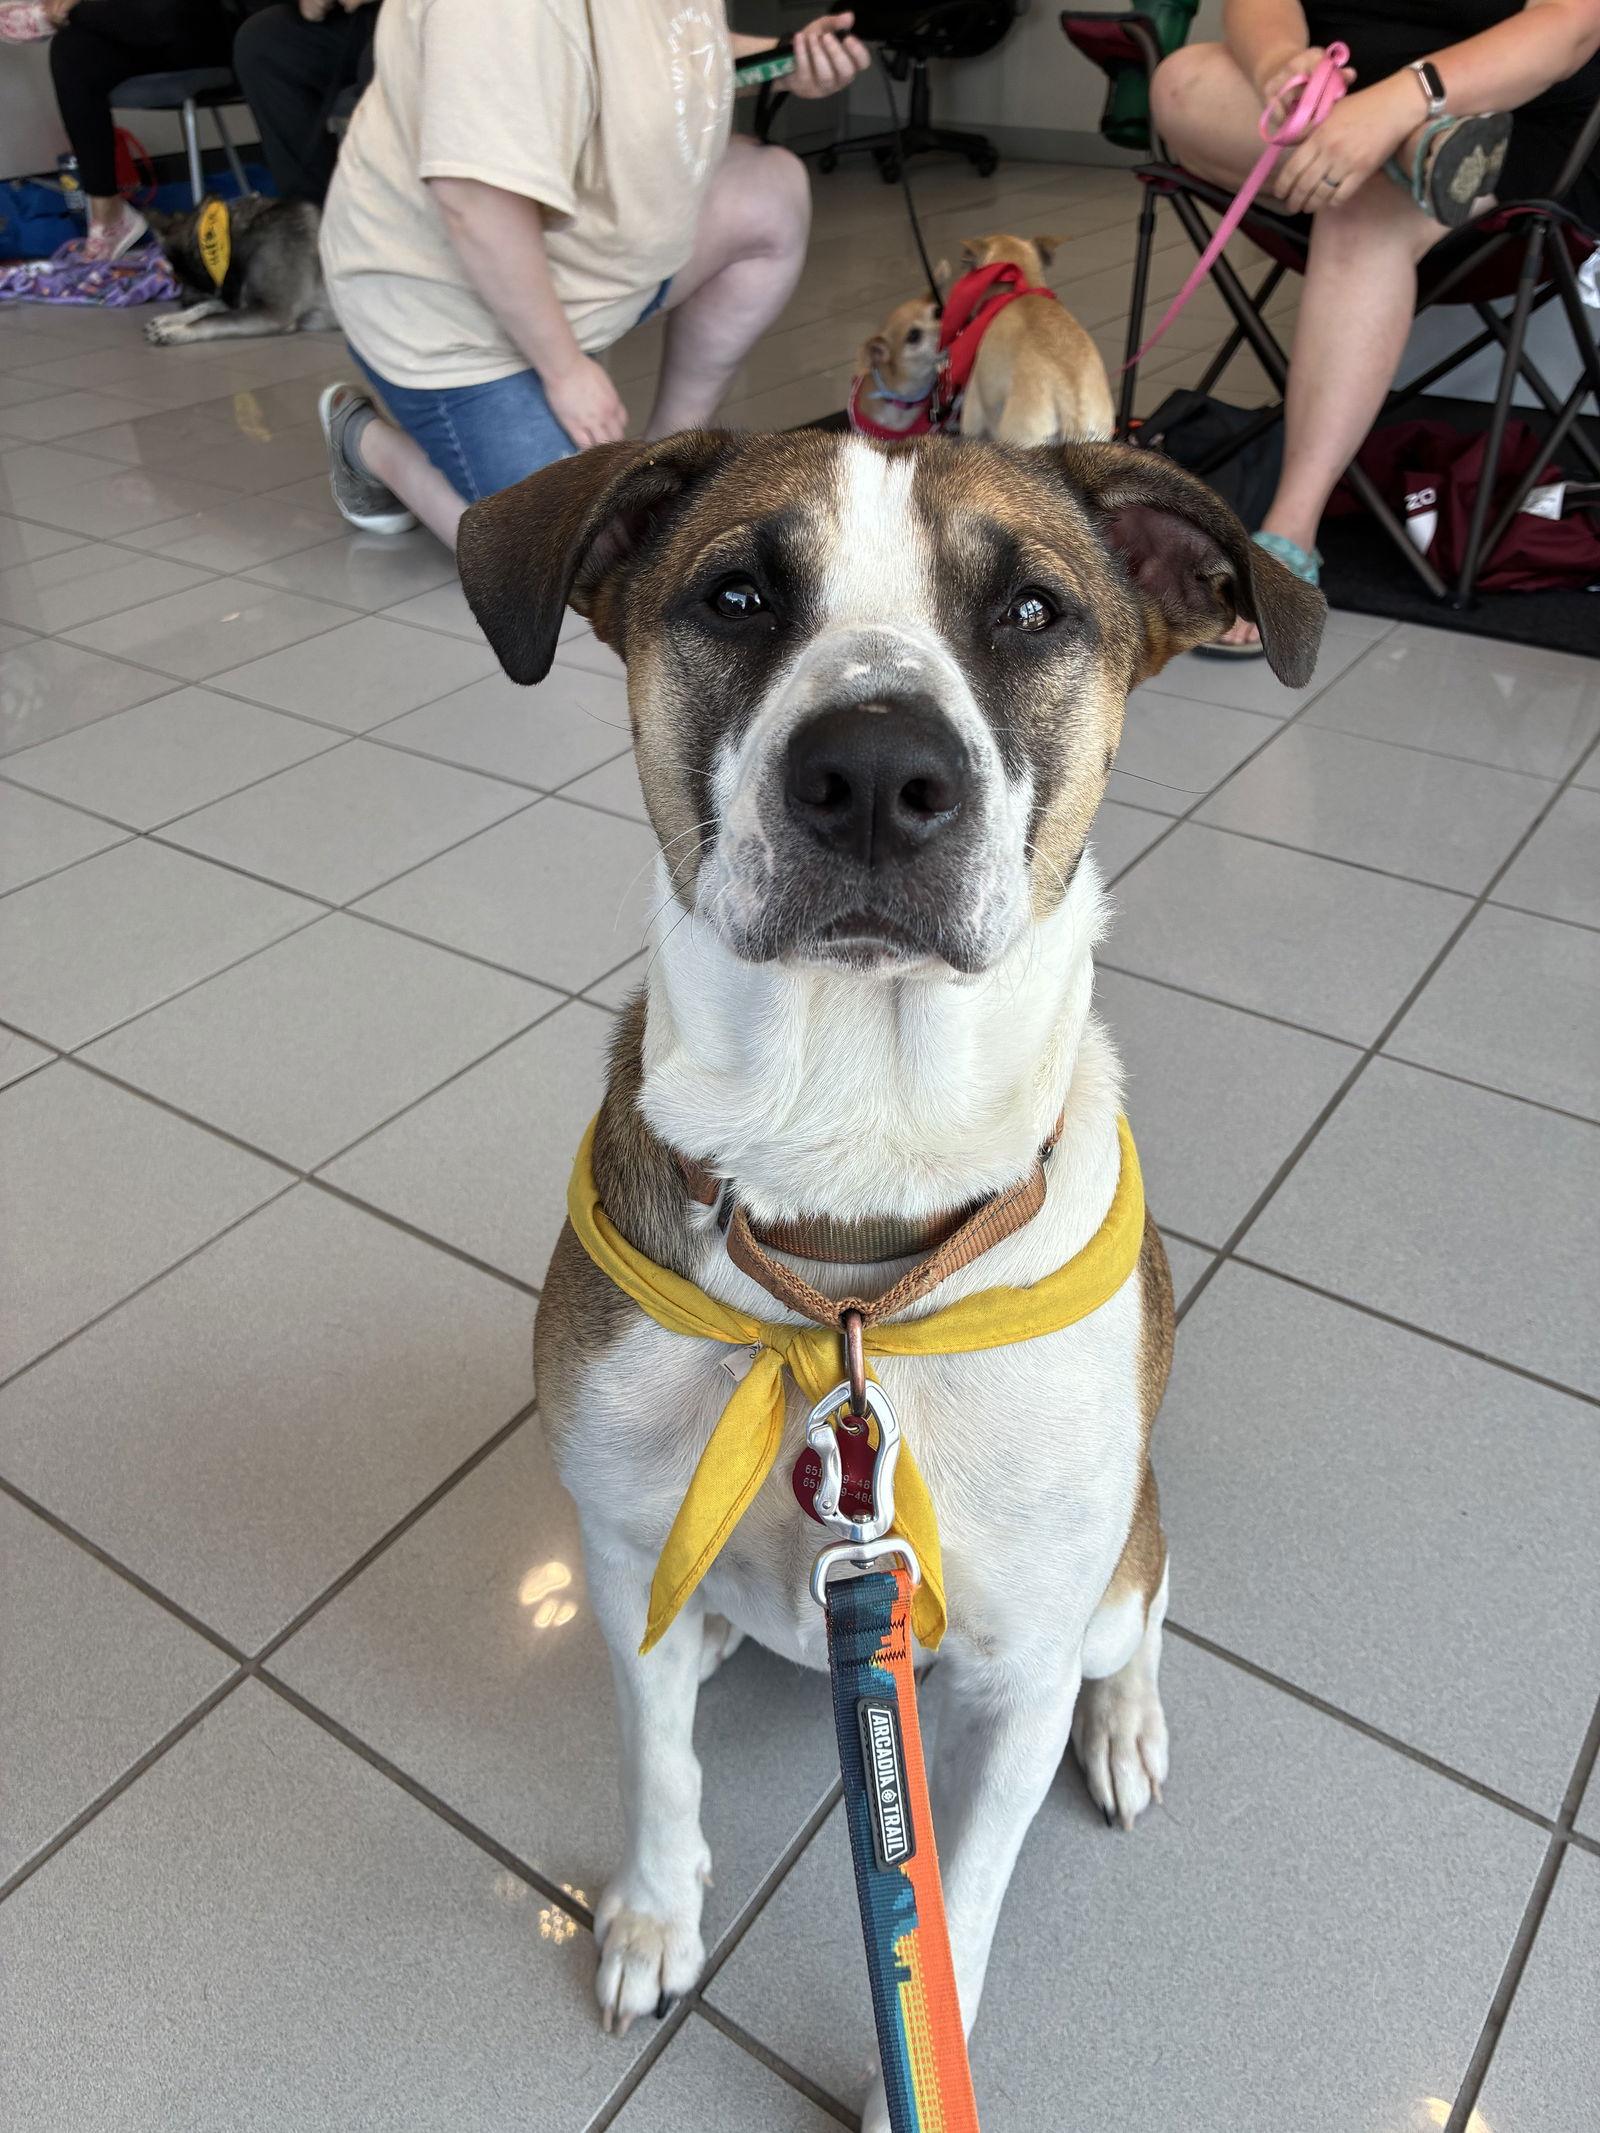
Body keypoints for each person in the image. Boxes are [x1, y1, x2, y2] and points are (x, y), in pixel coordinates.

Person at [315, 4, 870, 548]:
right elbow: (474, 202)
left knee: (767, 190)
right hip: (444, 311)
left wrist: (784, 60)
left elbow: (672, 48)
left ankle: (667, 460)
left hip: (572, 266)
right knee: (576, 557)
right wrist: (566, 371)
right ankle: (363, 440)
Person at [1151, 0, 1600, 652]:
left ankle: (1292, 532)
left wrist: (1404, 101)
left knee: (1362, 211)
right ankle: (1412, 154)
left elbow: (1574, 25)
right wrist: (1281, 66)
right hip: (1334, 111)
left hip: (1514, 124)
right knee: (1182, 80)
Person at [44, 0, 238, 261]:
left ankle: (54, 14)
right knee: (70, 49)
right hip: (145, 32)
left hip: (207, 28)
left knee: (157, 13)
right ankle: (108, 212)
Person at [232, 0, 379, 206]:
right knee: (261, 42)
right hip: (360, 20)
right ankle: (312, 215)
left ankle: (399, 220)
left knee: (379, 61)